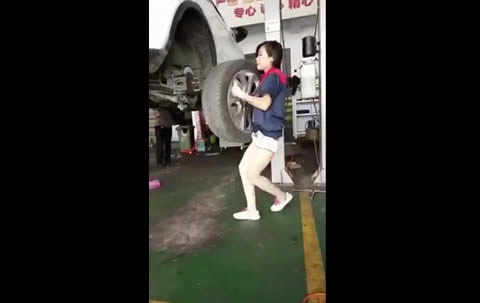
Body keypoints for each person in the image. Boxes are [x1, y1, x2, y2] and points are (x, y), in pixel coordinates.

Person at [230, 40, 293, 221]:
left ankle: (282, 196)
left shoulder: (274, 76)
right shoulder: (268, 77)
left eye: (260, 54)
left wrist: (242, 95)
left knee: (252, 174)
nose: (257, 58)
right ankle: (252, 210)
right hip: (259, 135)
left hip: (268, 137)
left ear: (272, 58)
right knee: (243, 168)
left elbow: (265, 104)